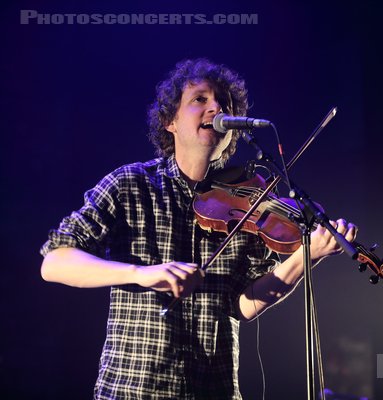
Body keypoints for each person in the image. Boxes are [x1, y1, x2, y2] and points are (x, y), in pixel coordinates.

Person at [40, 58, 357, 399]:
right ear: (169, 121)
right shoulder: (130, 184)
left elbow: (243, 306)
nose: (216, 107)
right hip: (135, 390)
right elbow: (54, 262)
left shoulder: (251, 200)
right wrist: (141, 273)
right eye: (200, 99)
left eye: (223, 101)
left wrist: (306, 257)